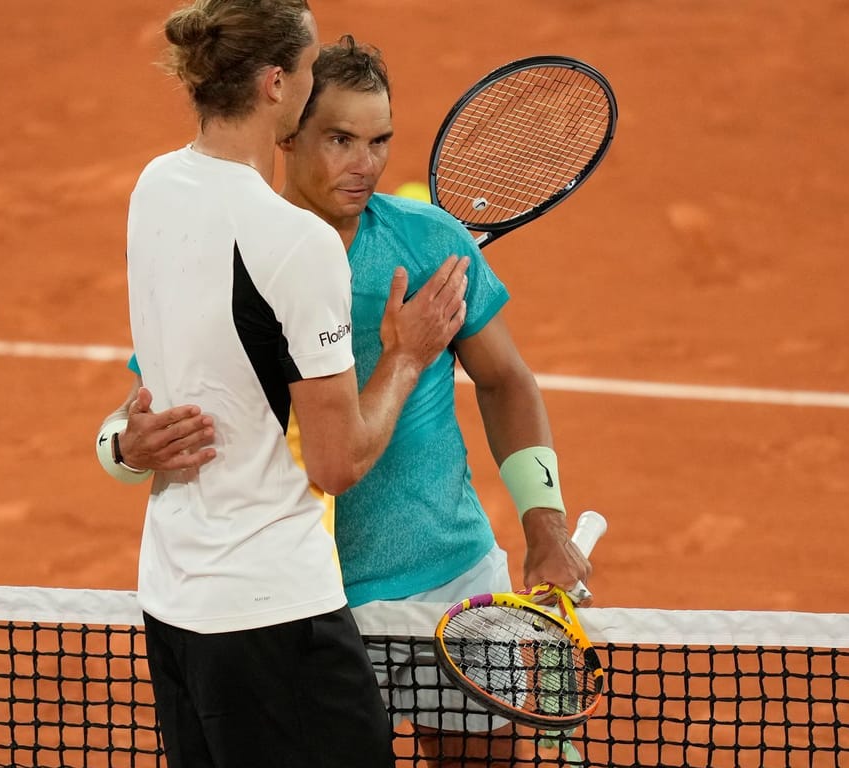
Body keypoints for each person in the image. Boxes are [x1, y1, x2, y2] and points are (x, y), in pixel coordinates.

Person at [103, 35, 591, 764]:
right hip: (310, 607)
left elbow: (506, 380)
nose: (365, 165)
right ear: (288, 131)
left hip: (452, 594)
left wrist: (544, 524)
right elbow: (146, 404)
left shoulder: (427, 241)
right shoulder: (247, 249)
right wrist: (121, 447)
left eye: (379, 141)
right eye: (340, 139)